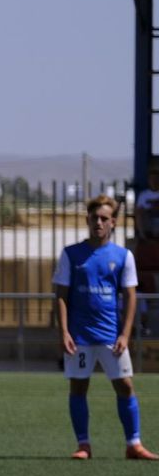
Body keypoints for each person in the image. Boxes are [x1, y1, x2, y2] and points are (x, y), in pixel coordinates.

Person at [53, 195, 157, 460]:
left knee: (124, 385)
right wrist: (64, 331)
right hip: (79, 336)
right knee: (78, 387)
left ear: (113, 222)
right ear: (87, 220)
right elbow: (61, 295)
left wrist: (126, 333)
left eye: (103, 218)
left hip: (111, 336)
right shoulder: (71, 254)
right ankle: (83, 445)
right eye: (93, 218)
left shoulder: (123, 256)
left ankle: (133, 444)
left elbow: (130, 296)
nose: (98, 222)